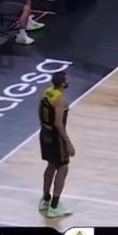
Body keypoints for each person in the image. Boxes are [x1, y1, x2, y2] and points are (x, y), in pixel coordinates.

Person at [39, 72, 74, 218]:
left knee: (51, 165)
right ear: (63, 83)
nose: (68, 80)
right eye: (67, 79)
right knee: (63, 167)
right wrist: (69, 143)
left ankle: (45, 199)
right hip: (56, 137)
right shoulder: (61, 100)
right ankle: (54, 206)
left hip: (44, 133)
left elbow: (41, 113)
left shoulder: (47, 92)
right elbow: (58, 124)